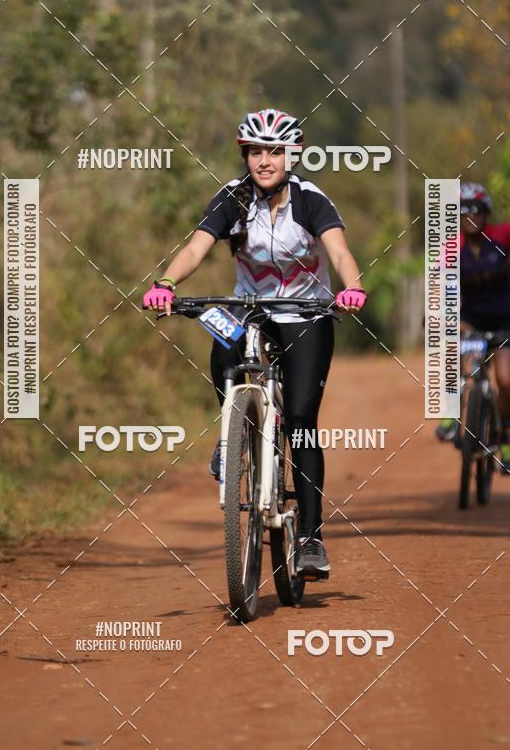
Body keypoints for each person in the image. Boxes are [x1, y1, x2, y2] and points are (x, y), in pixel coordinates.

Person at [143, 109, 366, 579]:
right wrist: (165, 281)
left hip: (306, 315)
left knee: (302, 420)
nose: (264, 160)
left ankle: (309, 538)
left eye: (274, 151)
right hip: (250, 308)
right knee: (218, 324)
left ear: (291, 154)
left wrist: (352, 287)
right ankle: (231, 434)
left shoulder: (310, 200)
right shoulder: (232, 198)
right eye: (256, 151)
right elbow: (196, 248)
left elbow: (340, 251)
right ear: (246, 155)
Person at [436, 182, 510, 475]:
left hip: (505, 320)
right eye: (463, 211)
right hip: (471, 318)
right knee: (457, 351)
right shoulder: (451, 248)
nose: (470, 216)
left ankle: (504, 438)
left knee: (504, 380)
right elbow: (440, 286)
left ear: (485, 212)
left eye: (476, 210)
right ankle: (451, 413)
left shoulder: (503, 236)